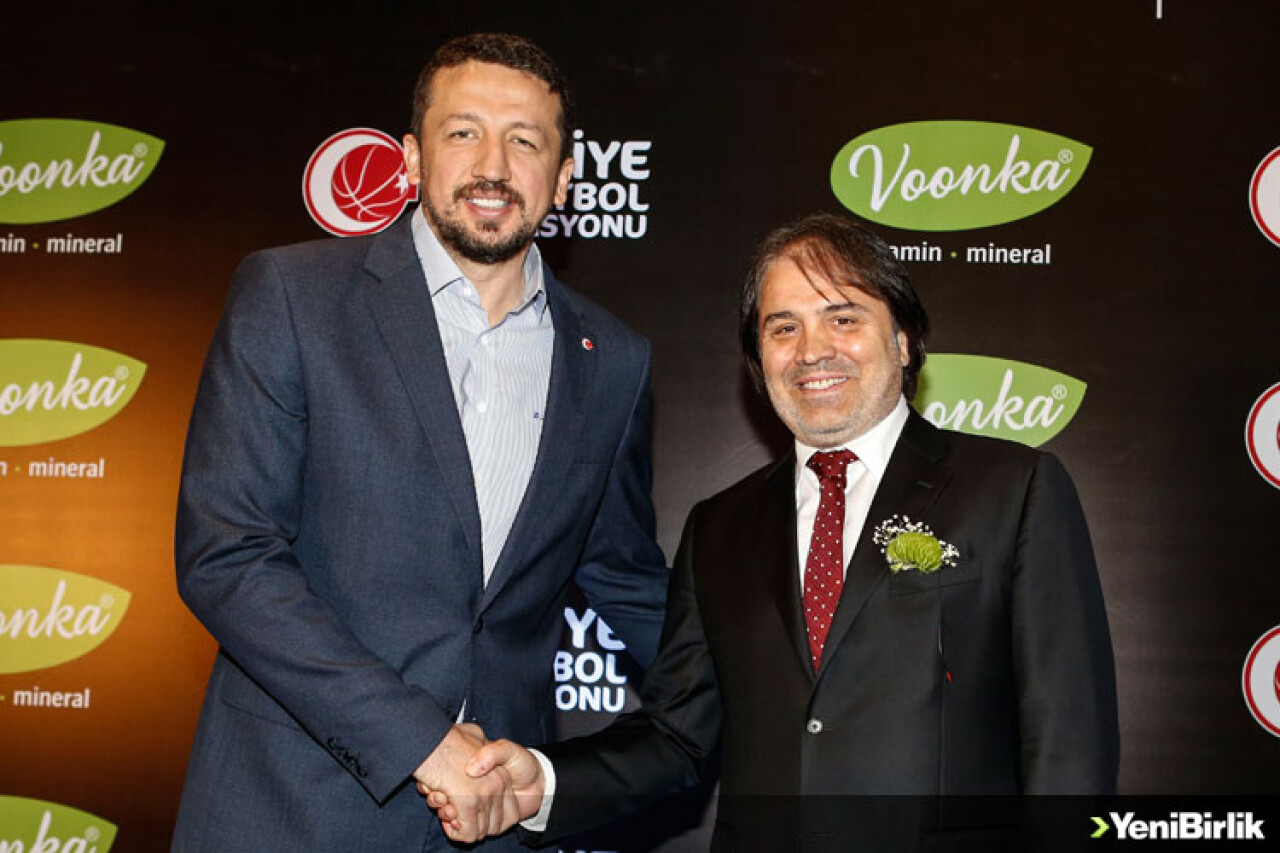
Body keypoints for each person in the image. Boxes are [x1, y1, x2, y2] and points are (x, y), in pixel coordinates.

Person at [429, 213, 1120, 849]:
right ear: (759, 362)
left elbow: (1068, 743)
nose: (813, 350)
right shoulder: (719, 528)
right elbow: (677, 737)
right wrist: (543, 785)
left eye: (843, 317)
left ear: (904, 340)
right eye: (783, 328)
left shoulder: (1013, 489)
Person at [171, 33, 668, 852]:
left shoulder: (612, 358)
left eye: (525, 141)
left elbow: (626, 576)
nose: (492, 165)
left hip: (494, 821)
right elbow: (228, 554)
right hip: (291, 811)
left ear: (564, 178)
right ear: (410, 157)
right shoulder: (292, 296)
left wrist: (785, 687)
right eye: (463, 132)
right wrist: (421, 740)